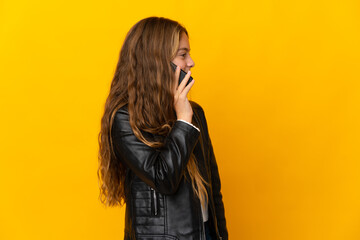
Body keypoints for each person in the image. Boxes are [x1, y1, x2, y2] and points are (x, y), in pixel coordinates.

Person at [97, 16, 228, 240]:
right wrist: (183, 122)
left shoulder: (195, 113)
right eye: (183, 54)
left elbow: (213, 190)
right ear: (157, 61)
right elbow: (163, 179)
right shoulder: (125, 118)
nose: (191, 62)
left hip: (204, 233)